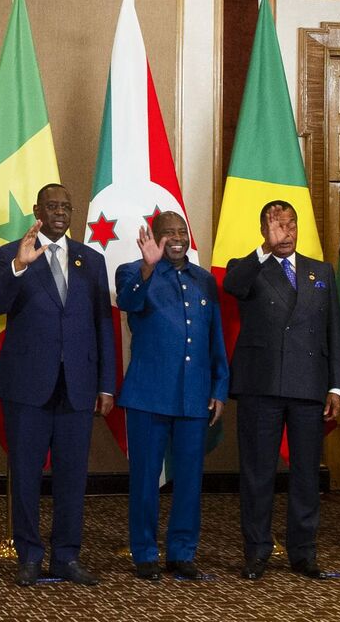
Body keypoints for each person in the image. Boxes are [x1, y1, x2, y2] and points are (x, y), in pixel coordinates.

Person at [0, 183, 116, 587]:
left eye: (66, 206)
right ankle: (29, 555)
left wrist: (106, 384)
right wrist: (19, 268)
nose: (60, 211)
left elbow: (102, 325)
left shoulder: (90, 260)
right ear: (37, 210)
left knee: (73, 476)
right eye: (52, 205)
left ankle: (66, 557)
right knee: (25, 474)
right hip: (27, 386)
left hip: (77, 384)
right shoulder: (10, 254)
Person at [222, 201, 340, 580]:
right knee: (258, 473)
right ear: (264, 230)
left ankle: (303, 551)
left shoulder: (320, 272)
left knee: (307, 473)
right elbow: (233, 286)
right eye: (277, 225)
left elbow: (334, 332)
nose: (286, 231)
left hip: (309, 385)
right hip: (262, 384)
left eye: (291, 224)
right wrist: (264, 251)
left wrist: (336, 386)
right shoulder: (249, 267)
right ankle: (257, 551)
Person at [116, 211, 227, 581]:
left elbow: (215, 340)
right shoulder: (133, 272)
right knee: (145, 479)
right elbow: (130, 303)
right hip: (148, 395)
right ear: (155, 237)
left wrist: (219, 388)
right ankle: (145, 553)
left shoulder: (204, 281)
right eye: (168, 233)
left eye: (183, 232)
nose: (176, 239)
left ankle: (182, 552)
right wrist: (148, 268)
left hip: (194, 396)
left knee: (190, 481)